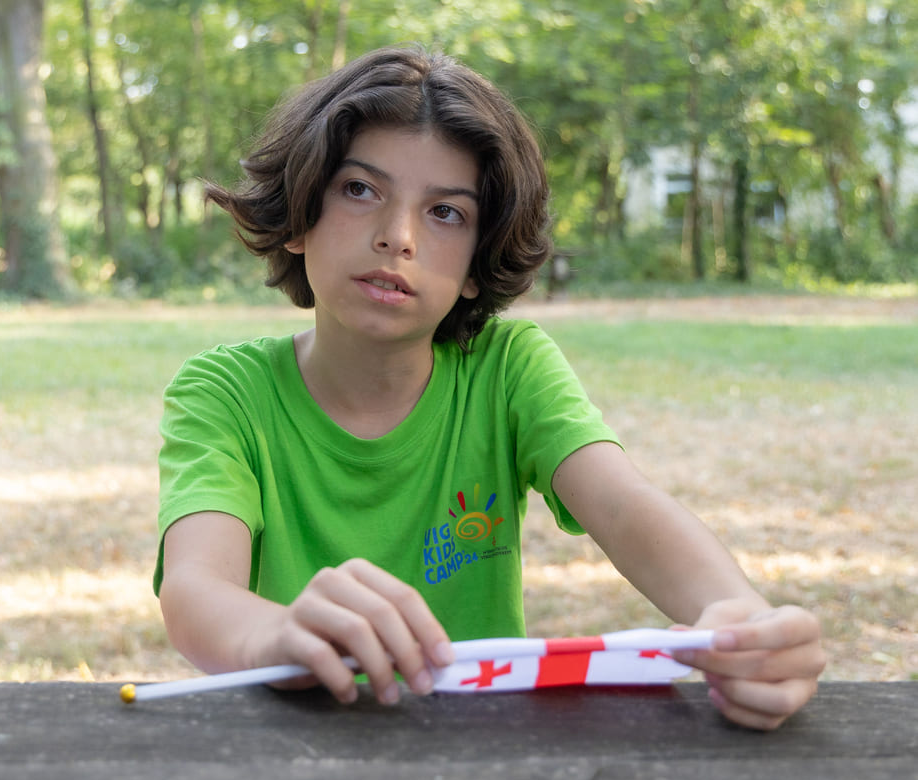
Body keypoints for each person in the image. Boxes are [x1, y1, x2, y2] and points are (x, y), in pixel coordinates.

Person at [154, 45, 824, 730]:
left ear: (479, 263)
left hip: (481, 747)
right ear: (300, 215)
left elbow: (626, 507)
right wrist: (276, 636)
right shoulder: (226, 391)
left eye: (446, 213)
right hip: (288, 745)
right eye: (360, 189)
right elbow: (196, 589)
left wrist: (738, 620)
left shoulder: (508, 370)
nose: (397, 236)